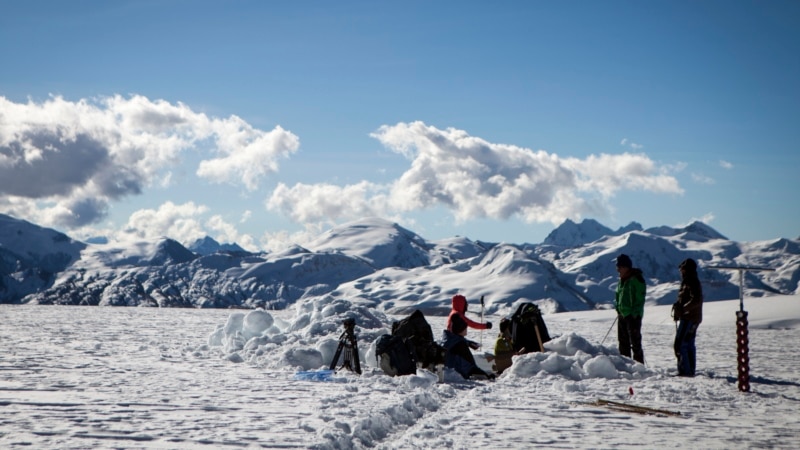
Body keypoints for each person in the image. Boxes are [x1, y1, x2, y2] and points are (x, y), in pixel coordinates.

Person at [441, 294, 494, 380]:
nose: (467, 306)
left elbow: (454, 333)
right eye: (465, 303)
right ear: (462, 304)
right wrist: (485, 326)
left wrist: (468, 342)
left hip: (452, 341)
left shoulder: (453, 313)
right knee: (468, 363)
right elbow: (471, 323)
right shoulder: (457, 315)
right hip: (456, 343)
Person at [672, 258, 703, 377]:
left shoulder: (691, 281)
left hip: (689, 318)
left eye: (682, 269)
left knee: (681, 344)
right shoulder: (689, 281)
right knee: (688, 344)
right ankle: (689, 370)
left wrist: (683, 310)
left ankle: (685, 371)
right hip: (692, 317)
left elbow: (696, 300)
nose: (681, 271)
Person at [615, 254, 646, 364]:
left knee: (635, 343)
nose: (617, 269)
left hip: (633, 316)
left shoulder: (636, 279)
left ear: (625, 267)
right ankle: (626, 366)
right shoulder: (622, 280)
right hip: (623, 314)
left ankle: (639, 366)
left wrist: (635, 313)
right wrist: (618, 308)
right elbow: (618, 295)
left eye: (619, 267)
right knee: (623, 342)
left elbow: (640, 298)